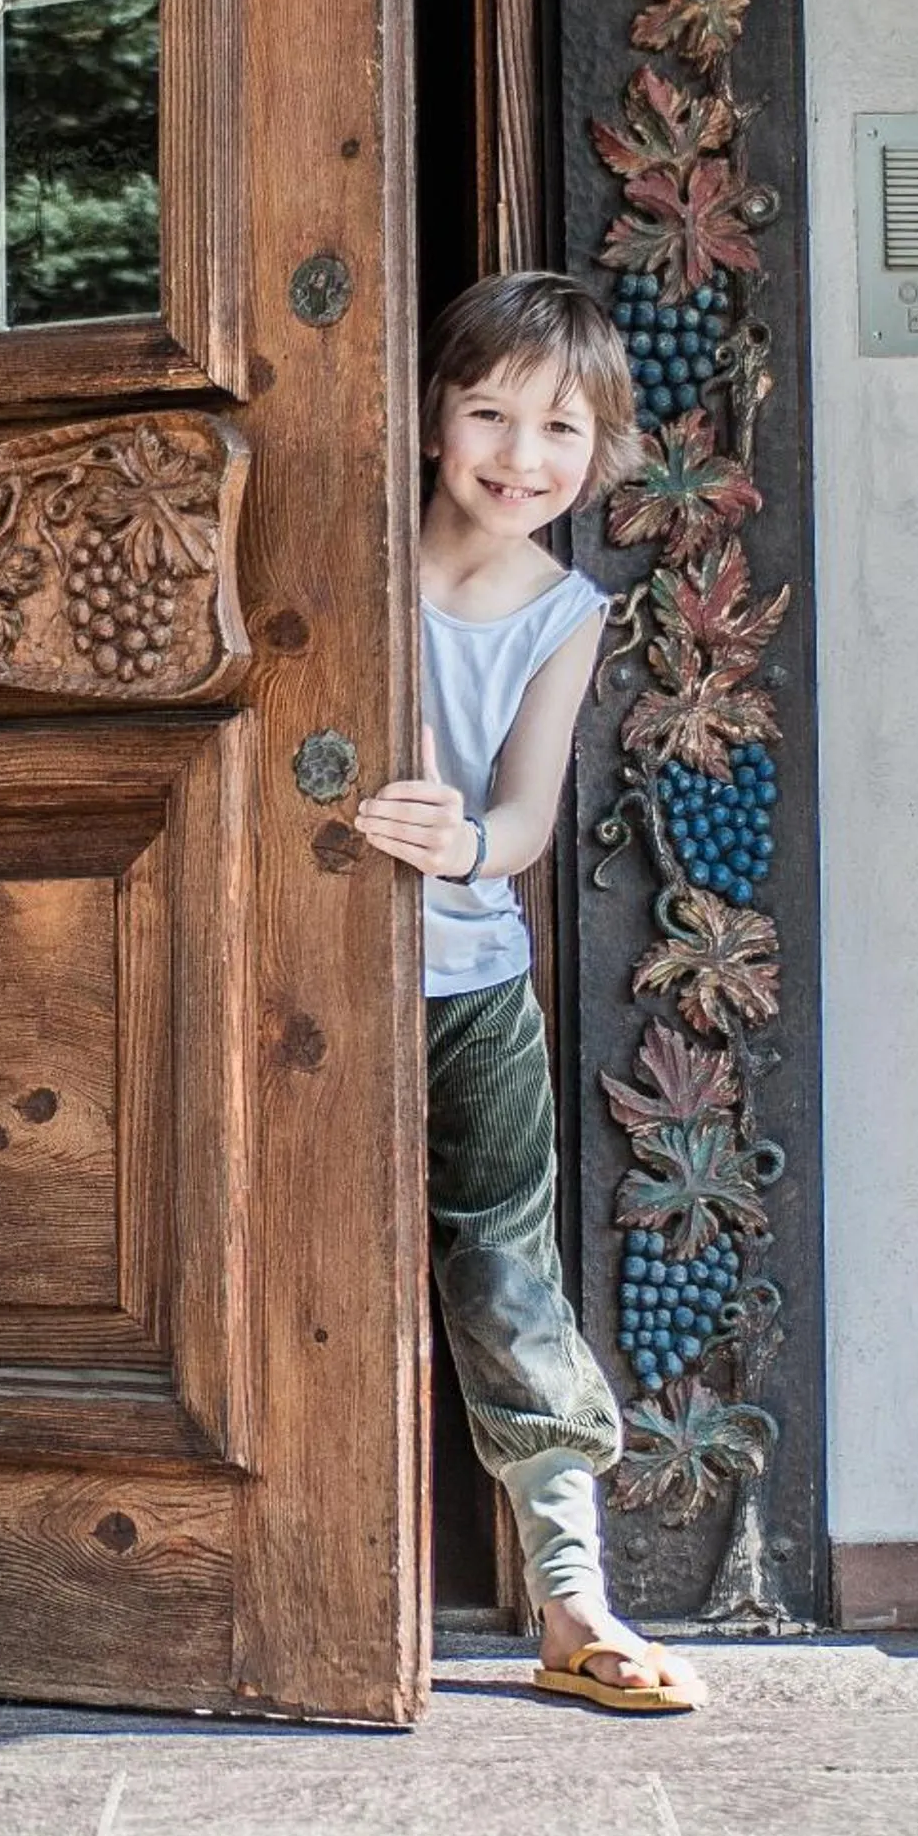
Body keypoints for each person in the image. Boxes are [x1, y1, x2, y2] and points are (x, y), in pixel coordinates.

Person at [356, 269, 708, 1714]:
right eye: (488, 411)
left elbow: (525, 818)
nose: (519, 455)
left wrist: (463, 850)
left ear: (603, 448)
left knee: (504, 1271)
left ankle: (572, 1600)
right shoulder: (355, 542)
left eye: (558, 428)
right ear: (432, 414)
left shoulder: (564, 608)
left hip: (470, 989)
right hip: (304, 970)